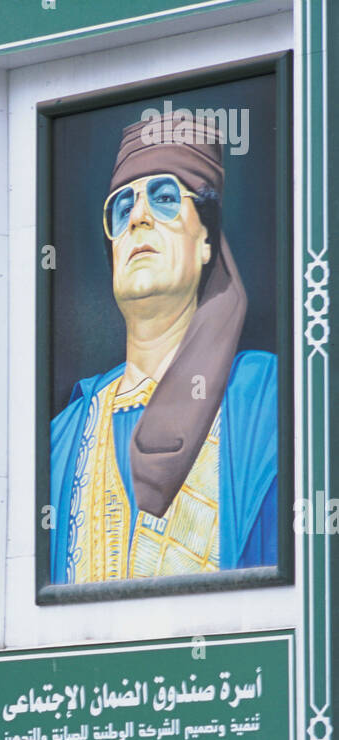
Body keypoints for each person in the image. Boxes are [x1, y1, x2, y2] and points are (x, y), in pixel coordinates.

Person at [50, 112, 277, 584]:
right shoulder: (64, 437)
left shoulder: (266, 399)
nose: (138, 217)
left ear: (206, 242)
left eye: (166, 198)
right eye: (121, 207)